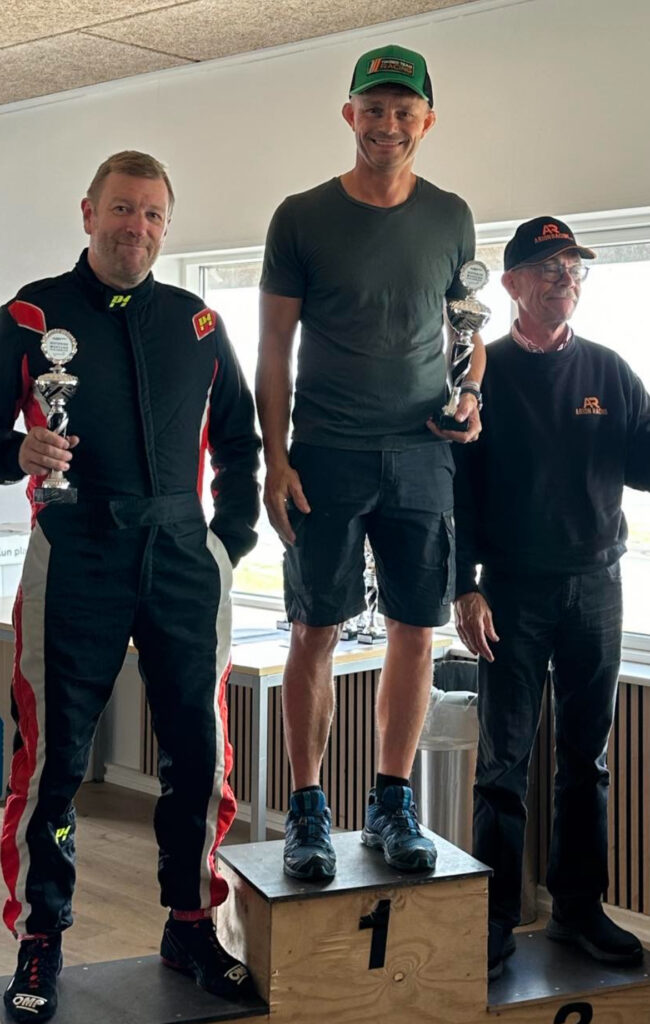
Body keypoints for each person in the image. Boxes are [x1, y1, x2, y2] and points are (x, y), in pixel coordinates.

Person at [0, 151, 260, 1022]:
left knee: (200, 751)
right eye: (121, 209)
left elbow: (240, 441)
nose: (135, 228)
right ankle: (41, 937)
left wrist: (226, 543)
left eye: (151, 214)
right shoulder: (32, 314)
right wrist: (18, 452)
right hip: (76, 549)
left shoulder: (196, 321)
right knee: (53, 759)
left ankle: (192, 923)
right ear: (88, 213)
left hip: (183, 554)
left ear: (165, 225)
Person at [256, 44, 485, 882]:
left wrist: (472, 393)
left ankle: (392, 803)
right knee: (314, 629)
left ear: (428, 119)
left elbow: (469, 334)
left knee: (415, 631)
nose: (388, 124)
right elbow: (273, 351)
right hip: (326, 452)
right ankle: (307, 812)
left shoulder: (451, 216)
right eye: (374, 108)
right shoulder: (301, 217)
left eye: (404, 110)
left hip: (422, 452)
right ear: (350, 114)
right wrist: (275, 459)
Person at [453, 216, 650, 979]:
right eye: (547, 268)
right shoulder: (483, 374)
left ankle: (577, 909)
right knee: (502, 763)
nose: (563, 280)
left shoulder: (610, 370)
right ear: (511, 284)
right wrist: (463, 588)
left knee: (585, 761)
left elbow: (642, 466)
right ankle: (495, 918)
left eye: (573, 268)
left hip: (597, 587)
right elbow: (456, 492)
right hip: (509, 591)